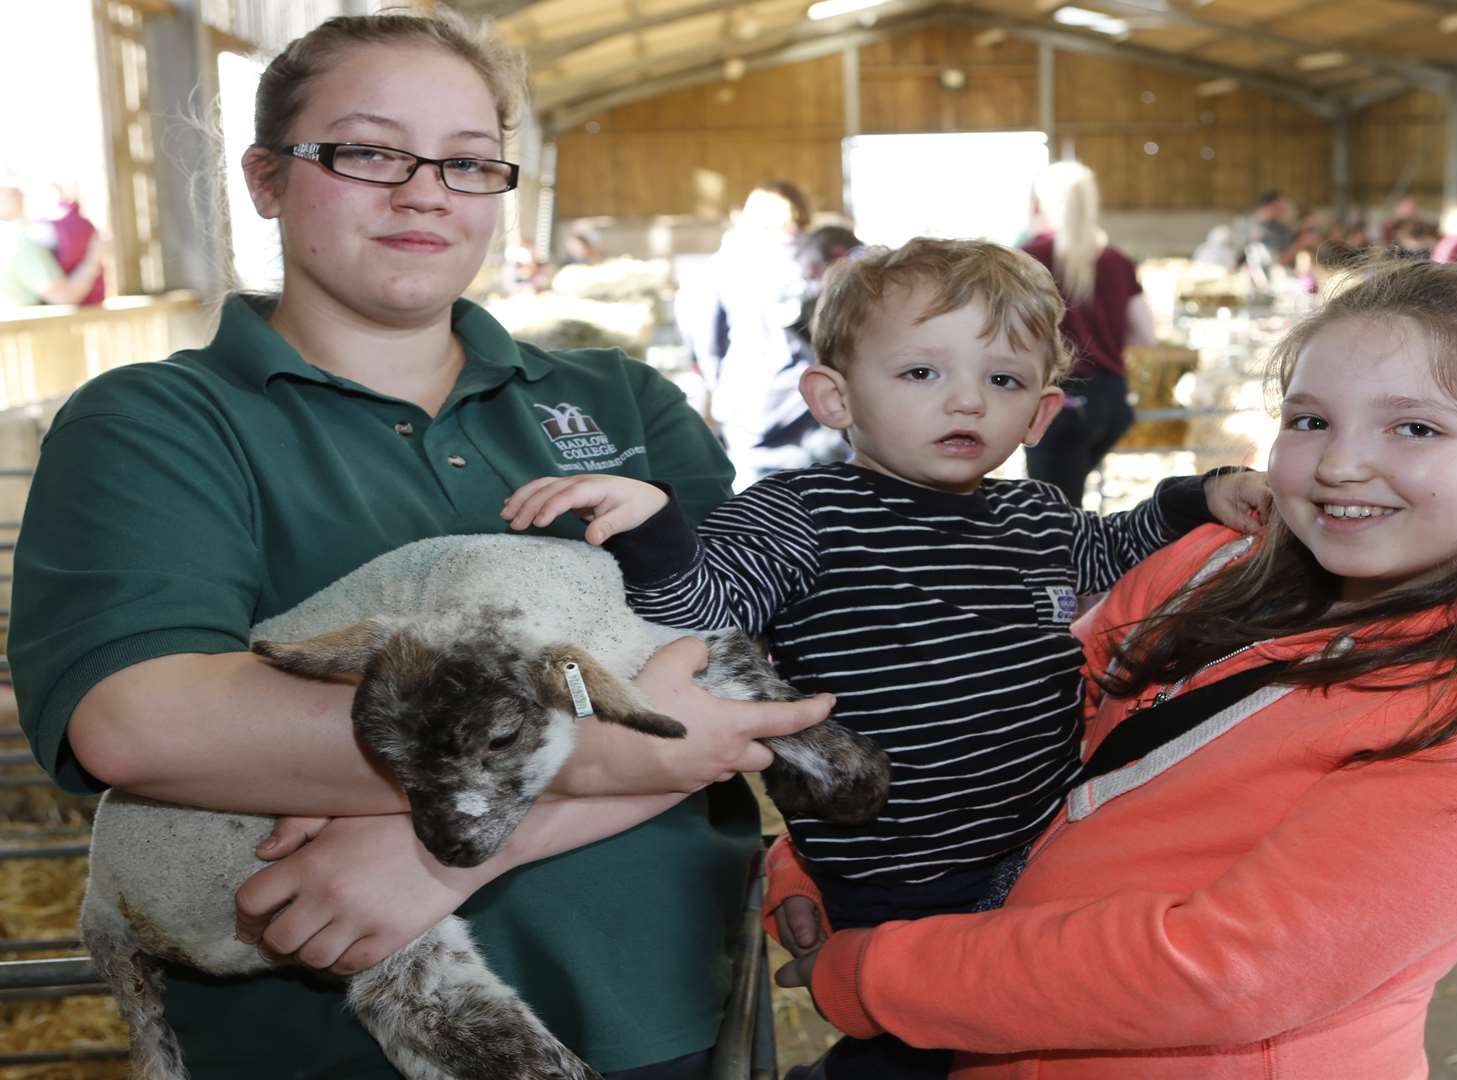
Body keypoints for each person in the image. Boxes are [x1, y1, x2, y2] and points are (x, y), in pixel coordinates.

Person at [5, 12, 833, 1079]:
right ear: (266, 176)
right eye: (369, 151)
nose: (426, 190)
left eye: (468, 161)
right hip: (324, 1039)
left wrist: (452, 845)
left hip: (665, 1003)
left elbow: (742, 675)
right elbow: (141, 719)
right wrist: (603, 753)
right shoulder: (157, 422)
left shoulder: (613, 395)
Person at [764, 258, 1457, 1079]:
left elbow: (1230, 969)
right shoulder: (1215, 563)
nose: (1342, 463)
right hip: (974, 1026)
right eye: (1310, 420)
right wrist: (844, 857)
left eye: (1416, 428)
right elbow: (1005, 722)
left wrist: (873, 972)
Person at [502, 236, 1268, 1080]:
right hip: (899, 874)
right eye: (921, 374)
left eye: (1003, 381)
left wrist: (1200, 496)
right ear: (833, 397)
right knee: (914, 1042)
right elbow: (701, 612)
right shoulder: (802, 515)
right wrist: (652, 530)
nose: (966, 403)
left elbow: (1115, 548)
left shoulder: (1035, 516)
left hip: (1048, 848)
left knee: (1020, 1036)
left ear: (1041, 416)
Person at [697, 179, 848, 489]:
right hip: (822, 402)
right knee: (831, 496)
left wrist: (723, 391)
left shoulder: (723, 267)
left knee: (760, 509)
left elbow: (708, 343)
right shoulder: (822, 261)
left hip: (753, 409)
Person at [1020, 161, 1155, 507]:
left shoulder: (1029, 259)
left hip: (1057, 402)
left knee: (1052, 514)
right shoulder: (1117, 261)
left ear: (1042, 202)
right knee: (1069, 500)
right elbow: (1146, 334)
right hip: (1110, 401)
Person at [0, 177, 104, 307]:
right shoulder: (20, 244)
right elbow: (64, 297)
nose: (23, 196)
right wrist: (94, 259)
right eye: (13, 193)